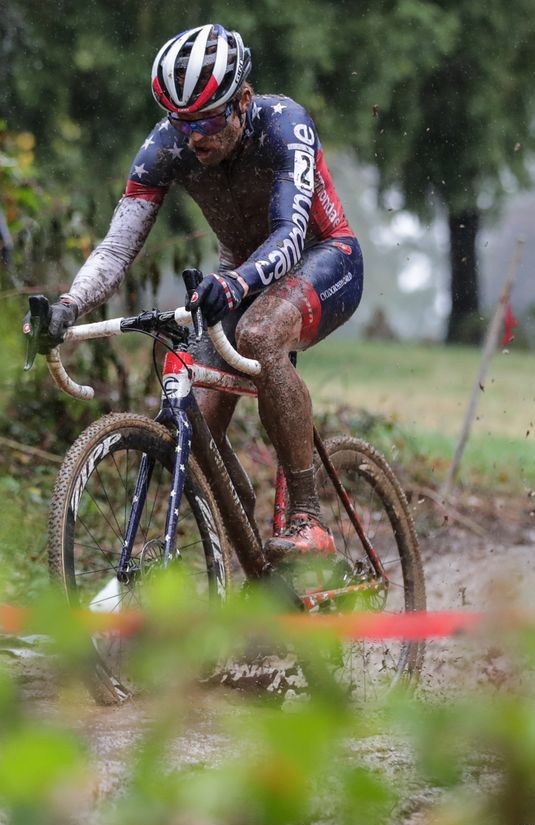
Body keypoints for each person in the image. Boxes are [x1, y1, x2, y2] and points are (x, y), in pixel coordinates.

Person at [39, 23, 363, 564]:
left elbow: (289, 233)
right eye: (183, 122)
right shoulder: (164, 147)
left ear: (244, 101)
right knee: (196, 419)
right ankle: (251, 562)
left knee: (260, 333)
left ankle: (308, 516)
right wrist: (67, 306)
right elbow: (118, 247)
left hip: (323, 256)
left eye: (210, 120)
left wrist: (235, 284)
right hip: (239, 272)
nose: (195, 137)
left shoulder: (285, 126)